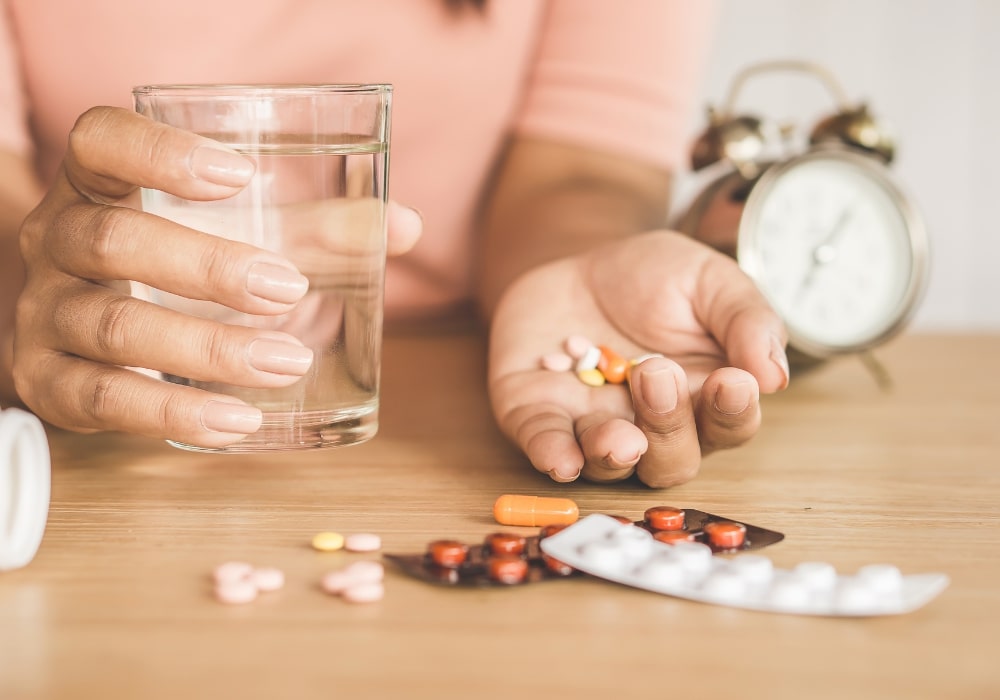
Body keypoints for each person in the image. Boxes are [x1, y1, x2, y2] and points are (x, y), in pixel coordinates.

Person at [0, 0, 788, 488]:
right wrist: (41, 295)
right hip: (112, 438)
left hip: (447, 403)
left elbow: (581, 169)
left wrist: (572, 278)